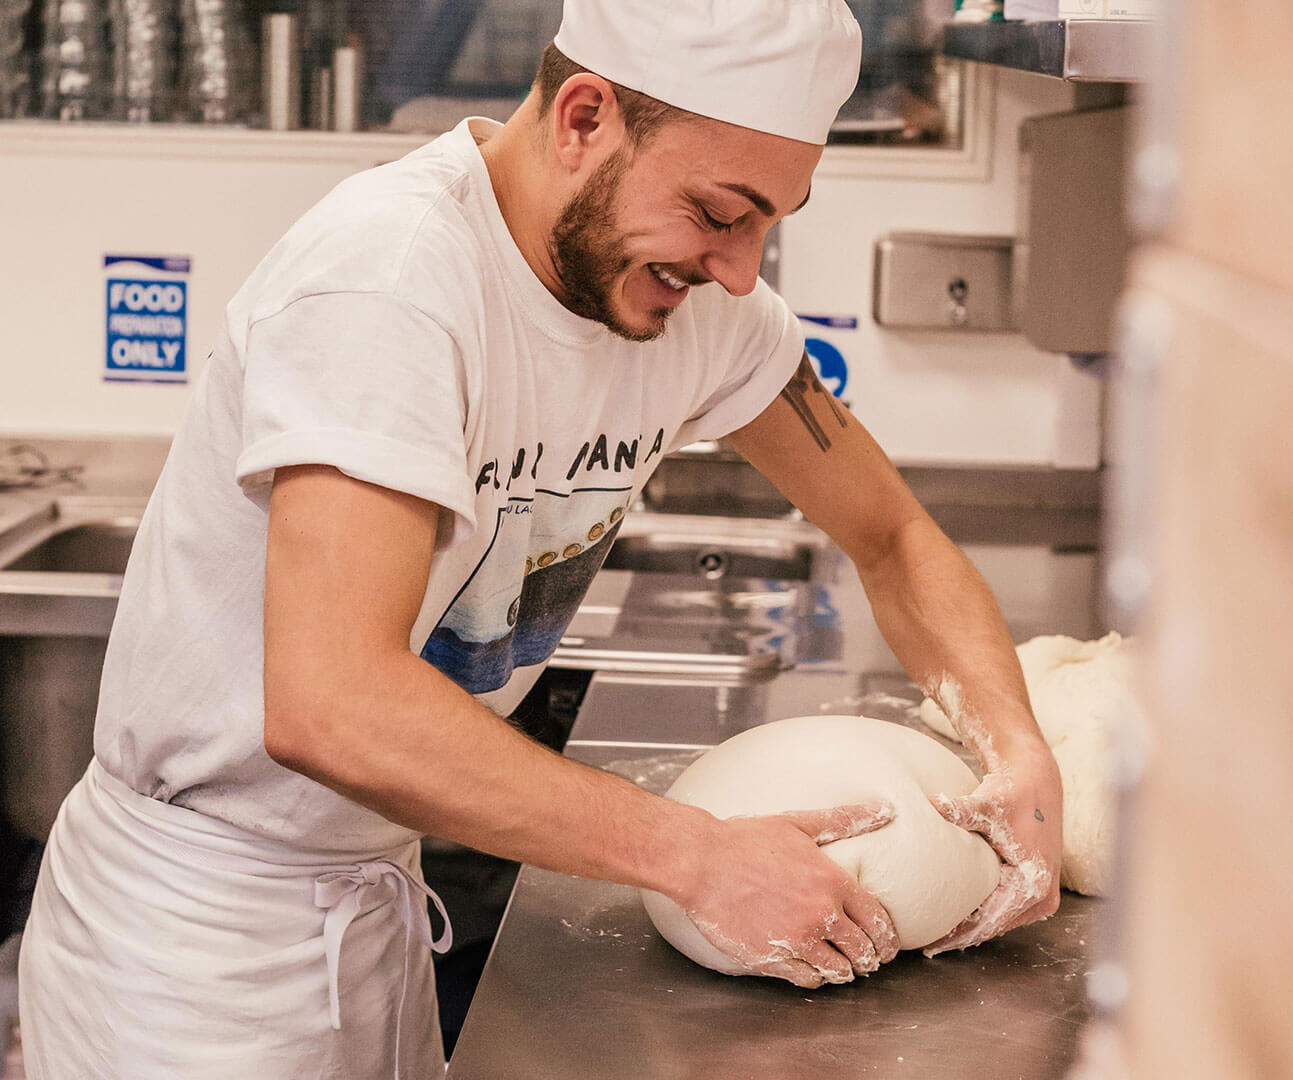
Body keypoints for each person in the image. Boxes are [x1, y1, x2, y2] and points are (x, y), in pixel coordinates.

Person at [18, 1, 1062, 1075]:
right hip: (187, 962)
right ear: (583, 117)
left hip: (370, 904)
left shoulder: (697, 311)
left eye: (770, 224)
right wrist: (697, 857)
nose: (743, 271)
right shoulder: (394, 282)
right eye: (717, 213)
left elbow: (891, 534)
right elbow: (334, 707)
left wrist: (1015, 744)